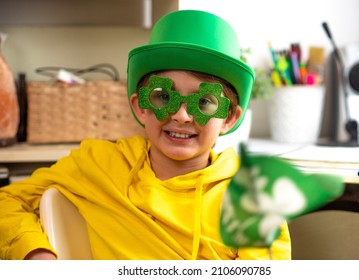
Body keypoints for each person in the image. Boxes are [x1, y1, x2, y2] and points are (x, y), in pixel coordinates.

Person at [0, 10, 291, 260]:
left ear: (229, 118)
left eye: (203, 102)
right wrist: (35, 253)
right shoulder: (98, 164)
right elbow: (7, 202)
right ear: (140, 107)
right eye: (164, 97)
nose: (181, 116)